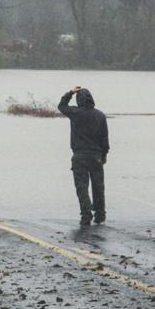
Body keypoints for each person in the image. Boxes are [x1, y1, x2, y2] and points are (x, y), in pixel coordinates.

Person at [58, 86, 109, 226]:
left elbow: (61, 106)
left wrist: (70, 92)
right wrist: (104, 155)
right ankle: (100, 214)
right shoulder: (100, 115)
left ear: (78, 100)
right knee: (98, 186)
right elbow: (104, 138)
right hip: (96, 156)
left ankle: (86, 215)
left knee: (82, 187)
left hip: (79, 155)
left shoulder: (75, 113)